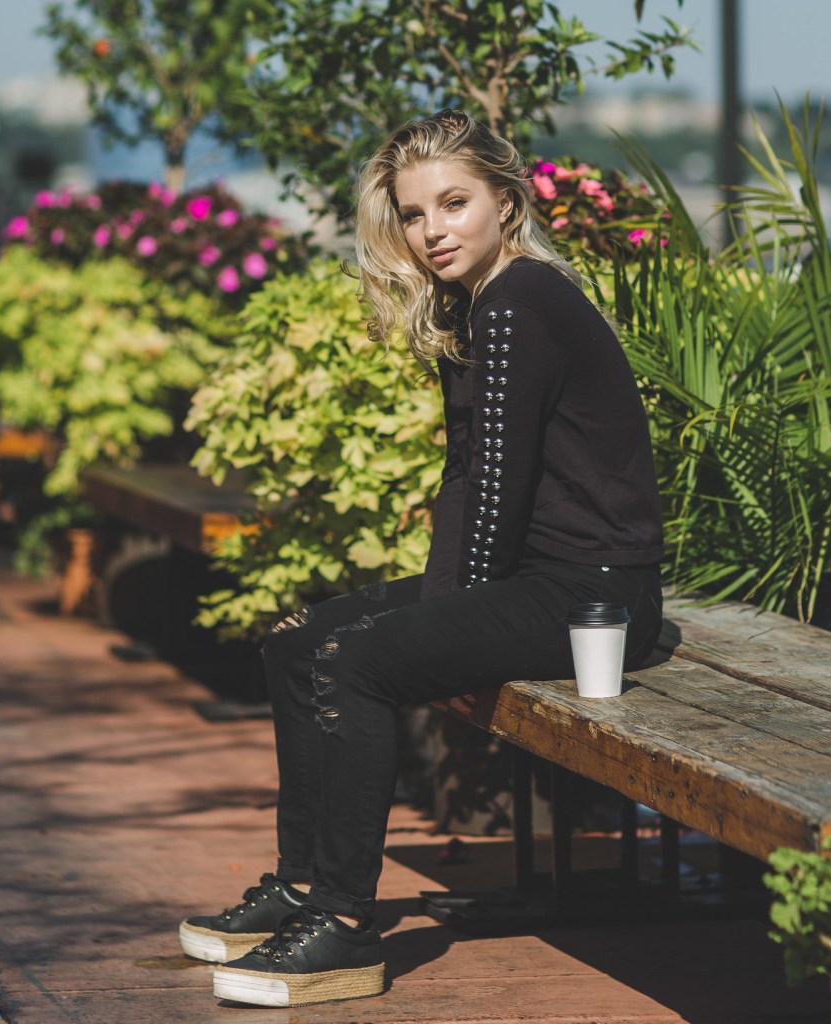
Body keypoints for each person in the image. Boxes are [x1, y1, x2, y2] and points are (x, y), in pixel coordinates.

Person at [179, 108, 665, 1009]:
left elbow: (496, 487)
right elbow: (466, 475)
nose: (433, 230)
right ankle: (297, 887)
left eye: (454, 203)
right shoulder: (473, 302)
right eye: (413, 213)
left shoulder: (522, 298)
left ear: (507, 203)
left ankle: (344, 930)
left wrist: (435, 624)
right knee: (296, 639)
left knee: (356, 662)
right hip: (536, 580)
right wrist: (438, 609)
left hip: (596, 598)